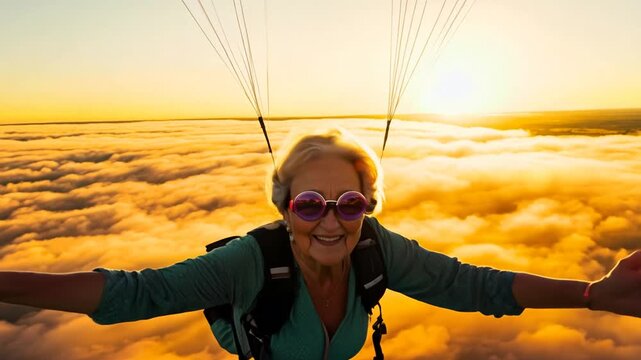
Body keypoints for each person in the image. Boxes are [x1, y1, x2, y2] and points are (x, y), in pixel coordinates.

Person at [0, 128, 640, 359]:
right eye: (309, 204)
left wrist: (592, 295)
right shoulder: (248, 261)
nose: (330, 221)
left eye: (350, 203)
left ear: (369, 207)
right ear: (283, 207)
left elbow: (475, 286)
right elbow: (135, 295)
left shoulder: (378, 251)